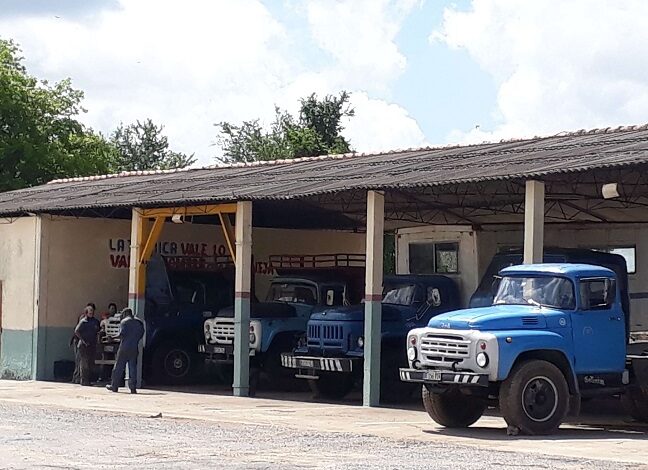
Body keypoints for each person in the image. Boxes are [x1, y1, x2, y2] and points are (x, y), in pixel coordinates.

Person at [107, 308, 145, 394]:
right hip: (134, 347)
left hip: (124, 348)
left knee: (118, 367)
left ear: (125, 314)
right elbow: (141, 333)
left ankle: (114, 386)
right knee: (133, 368)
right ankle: (133, 388)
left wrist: (112, 337)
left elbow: (121, 335)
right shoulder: (139, 322)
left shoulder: (124, 322)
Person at [74, 303, 100, 386]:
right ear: (86, 312)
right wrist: (83, 340)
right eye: (89, 312)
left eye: (92, 311)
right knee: (84, 363)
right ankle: (84, 380)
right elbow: (76, 331)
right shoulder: (83, 322)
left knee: (90, 363)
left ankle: (88, 380)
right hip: (84, 345)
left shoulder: (95, 322)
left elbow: (98, 331)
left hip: (92, 345)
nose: (91, 313)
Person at [97, 303, 118, 382]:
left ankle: (113, 377)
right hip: (106, 343)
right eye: (111, 308)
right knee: (104, 360)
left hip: (114, 343)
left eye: (114, 308)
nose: (112, 310)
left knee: (116, 360)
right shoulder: (105, 319)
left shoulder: (117, 319)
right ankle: (101, 376)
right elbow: (102, 327)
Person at [69, 311, 86, 384]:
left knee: (80, 362)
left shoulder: (86, 324)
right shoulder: (80, 325)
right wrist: (71, 341)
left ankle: (78, 378)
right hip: (78, 344)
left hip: (82, 344)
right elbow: (74, 334)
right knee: (78, 361)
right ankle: (76, 378)